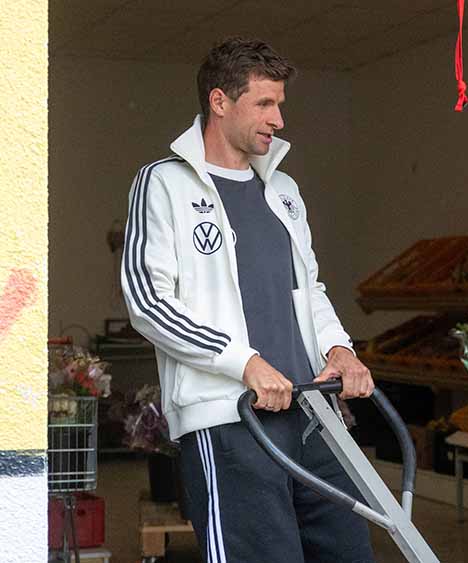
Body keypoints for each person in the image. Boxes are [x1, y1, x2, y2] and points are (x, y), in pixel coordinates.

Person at [122, 37, 376, 563]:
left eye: (279, 104)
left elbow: (309, 290)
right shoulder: (163, 184)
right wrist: (246, 363)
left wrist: (340, 350)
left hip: (311, 413)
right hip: (229, 419)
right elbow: (149, 300)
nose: (279, 119)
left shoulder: (283, 191)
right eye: (264, 103)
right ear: (220, 102)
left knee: (350, 550)